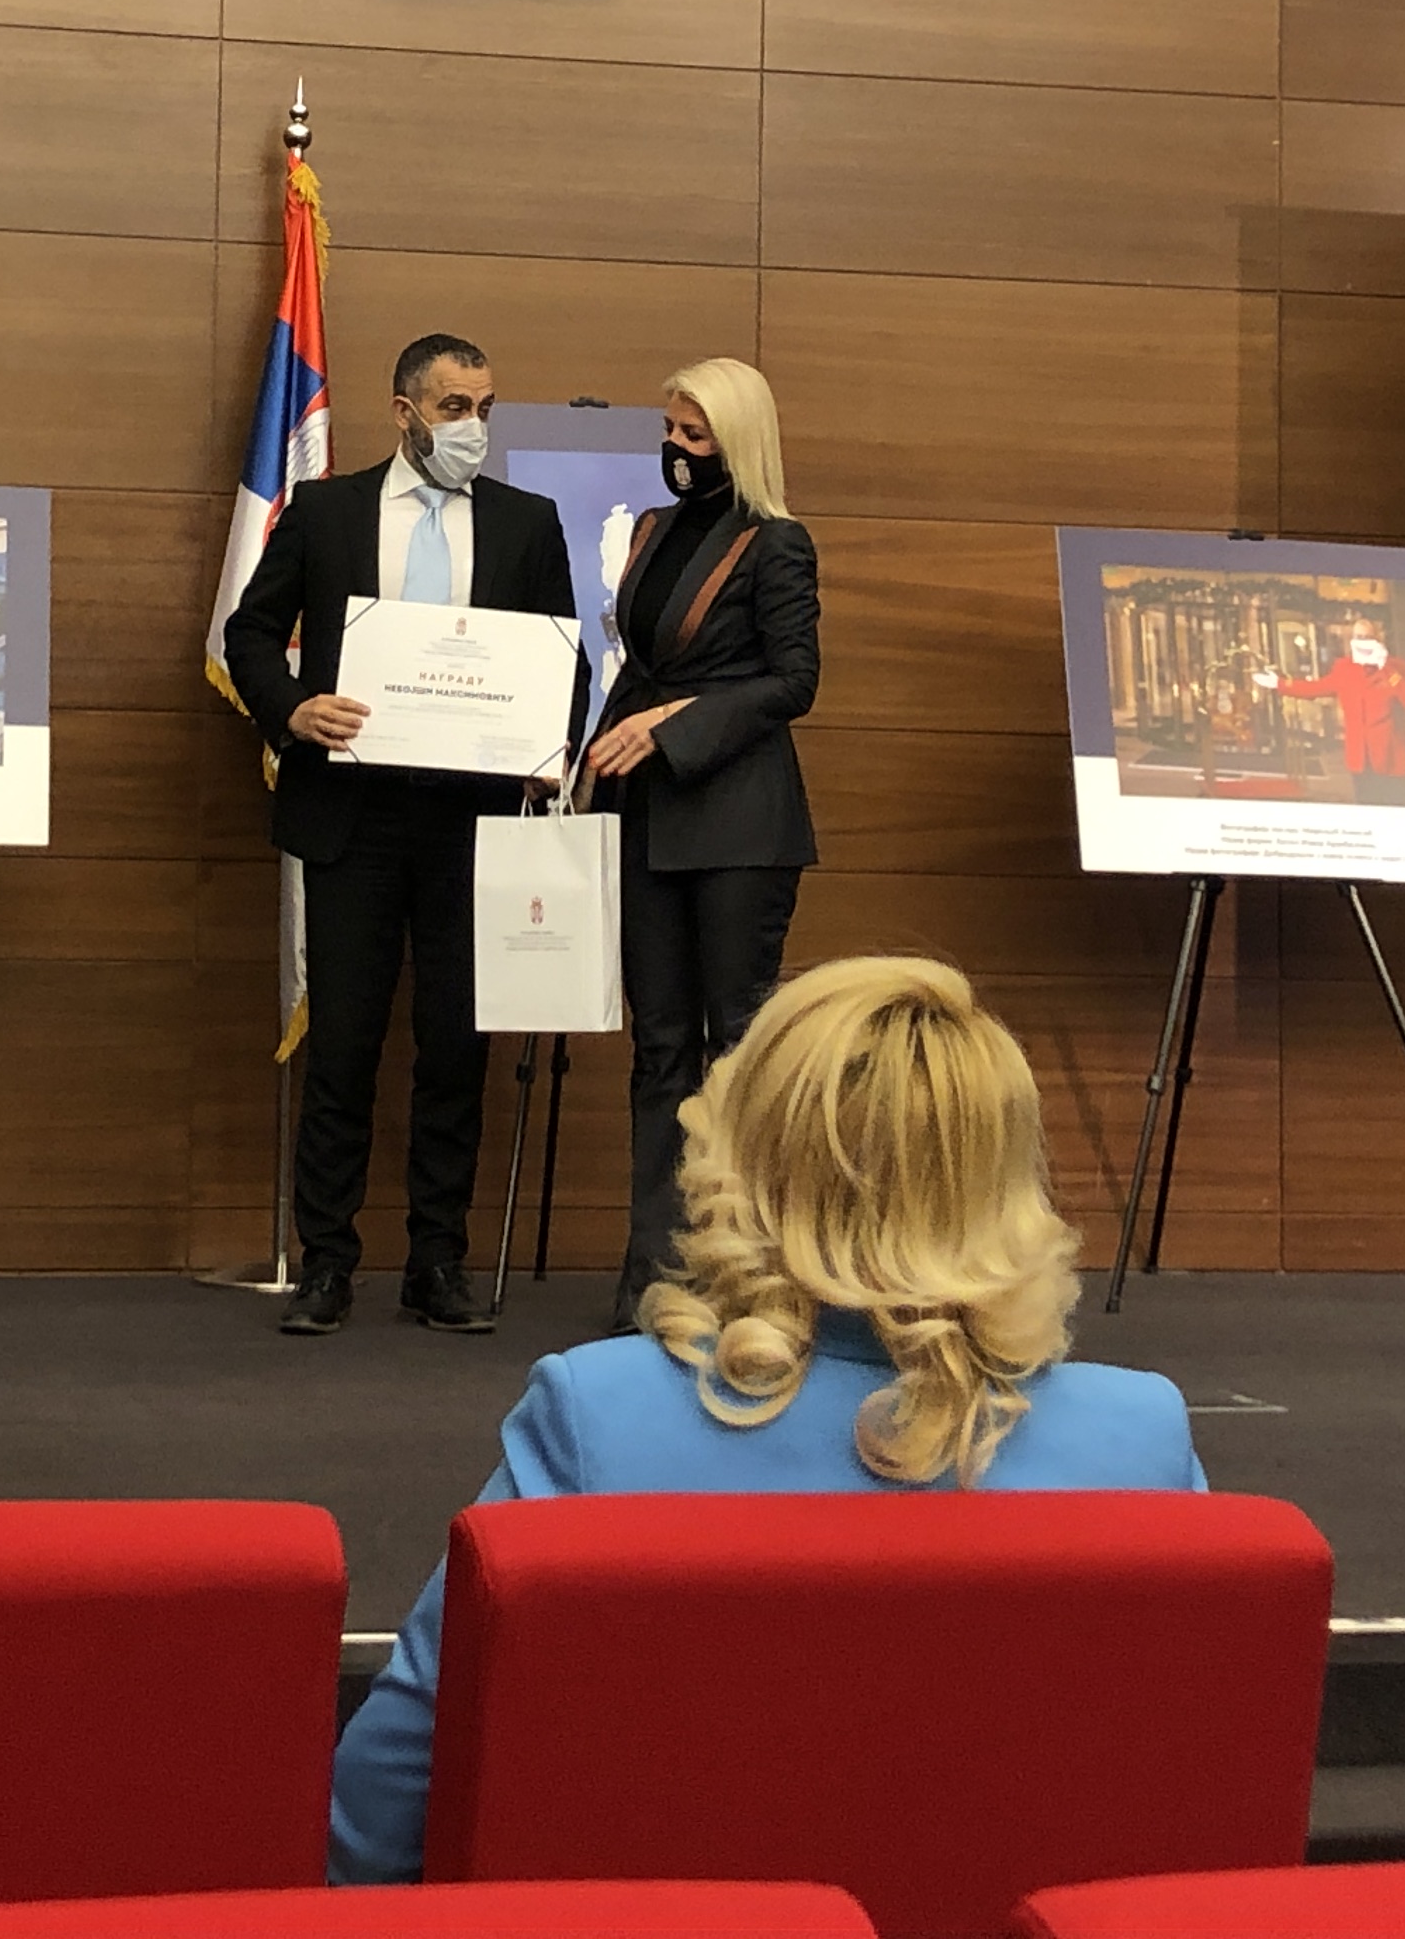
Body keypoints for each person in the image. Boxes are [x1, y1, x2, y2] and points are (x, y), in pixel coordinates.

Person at [327, 954, 1205, 1883]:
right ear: (1008, 1179)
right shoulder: (1141, 1440)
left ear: (742, 1154)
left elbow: (388, 1804)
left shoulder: (597, 1418)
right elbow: (1200, 1799)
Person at [222, 332, 585, 1339]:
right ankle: (327, 1265)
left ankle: (437, 1262)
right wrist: (291, 708)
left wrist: (545, 745)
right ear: (405, 412)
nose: (473, 426)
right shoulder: (327, 511)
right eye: (455, 407)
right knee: (342, 1046)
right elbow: (249, 634)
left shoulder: (526, 522)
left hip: (472, 822)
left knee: (456, 1051)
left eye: (485, 407)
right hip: (354, 817)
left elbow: (563, 662)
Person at [584, 356, 820, 1328]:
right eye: (670, 431)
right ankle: (650, 1275)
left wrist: (673, 726)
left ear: (737, 440)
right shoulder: (651, 530)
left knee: (738, 1055)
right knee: (660, 1052)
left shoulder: (779, 543)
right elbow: (639, 673)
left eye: (694, 435)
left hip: (739, 827)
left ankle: (745, 1271)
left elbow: (794, 682)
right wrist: (581, 758)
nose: (676, 450)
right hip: (648, 820)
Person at [1253, 623, 1405, 804]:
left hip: (1393, 761)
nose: (1363, 642)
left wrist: (1386, 668)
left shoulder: (1397, 668)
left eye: (1368, 637)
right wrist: (1279, 684)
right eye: (1358, 637)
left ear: (1378, 639)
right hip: (1361, 760)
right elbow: (1315, 688)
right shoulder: (1344, 668)